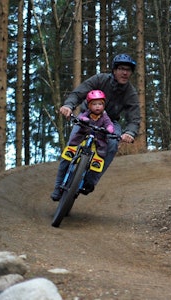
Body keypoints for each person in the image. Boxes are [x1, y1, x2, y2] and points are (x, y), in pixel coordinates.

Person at [51, 54, 140, 201]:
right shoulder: (100, 79)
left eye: (128, 70)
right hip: (87, 117)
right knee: (71, 146)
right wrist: (69, 105)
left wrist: (130, 132)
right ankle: (58, 185)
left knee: (112, 145)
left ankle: (90, 181)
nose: (125, 73)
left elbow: (134, 117)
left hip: (109, 122)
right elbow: (79, 92)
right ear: (114, 70)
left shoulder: (130, 92)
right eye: (121, 69)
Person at [70, 90, 115, 158]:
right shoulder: (88, 113)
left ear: (103, 105)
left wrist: (109, 128)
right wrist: (84, 119)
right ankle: (71, 150)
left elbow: (108, 122)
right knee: (77, 137)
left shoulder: (104, 116)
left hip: (98, 136)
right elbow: (82, 117)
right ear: (89, 106)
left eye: (100, 104)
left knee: (102, 145)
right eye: (94, 104)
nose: (97, 106)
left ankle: (98, 159)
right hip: (85, 132)